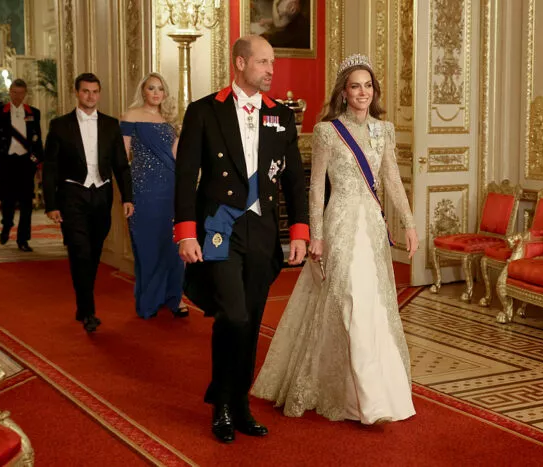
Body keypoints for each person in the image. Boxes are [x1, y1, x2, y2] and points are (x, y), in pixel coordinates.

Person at [251, 54, 420, 425]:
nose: (363, 92)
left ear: (374, 91)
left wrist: (409, 224)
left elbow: (392, 180)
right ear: (344, 92)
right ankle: (360, 397)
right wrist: (317, 235)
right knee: (348, 299)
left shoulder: (384, 130)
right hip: (339, 223)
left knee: (372, 304)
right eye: (355, 86)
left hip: (371, 227)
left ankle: (376, 396)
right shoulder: (328, 131)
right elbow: (315, 188)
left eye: (368, 86)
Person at [174, 35, 309, 443]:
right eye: (263, 62)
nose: (271, 70)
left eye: (272, 63)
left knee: (250, 320)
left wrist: (299, 231)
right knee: (232, 315)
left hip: (262, 232)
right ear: (240, 63)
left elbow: (293, 180)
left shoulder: (280, 116)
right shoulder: (204, 111)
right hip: (220, 230)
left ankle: (240, 404)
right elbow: (186, 176)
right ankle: (222, 403)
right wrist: (186, 232)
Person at [42, 73, 134, 333]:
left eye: (95, 91)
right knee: (80, 251)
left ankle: (83, 302)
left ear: (99, 94)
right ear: (77, 93)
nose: (90, 96)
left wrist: (127, 197)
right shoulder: (60, 125)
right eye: (85, 91)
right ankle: (88, 310)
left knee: (93, 253)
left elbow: (121, 165)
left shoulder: (110, 125)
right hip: (72, 195)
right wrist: (51, 204)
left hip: (101, 196)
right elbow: (50, 168)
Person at [120, 73, 188, 319]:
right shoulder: (130, 116)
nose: (156, 92)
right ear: (143, 91)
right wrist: (126, 195)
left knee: (172, 244)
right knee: (147, 245)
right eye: (151, 88)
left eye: (160, 88)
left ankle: (174, 297)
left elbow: (176, 156)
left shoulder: (168, 121)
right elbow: (121, 157)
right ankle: (149, 300)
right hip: (143, 189)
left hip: (170, 187)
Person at [0, 79, 44, 251]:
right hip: (6, 162)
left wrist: (39, 166)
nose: (18, 96)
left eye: (21, 93)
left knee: (26, 203)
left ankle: (23, 239)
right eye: (15, 93)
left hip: (26, 162)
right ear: (10, 92)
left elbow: (38, 140)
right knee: (7, 201)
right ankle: (7, 224)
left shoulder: (34, 113)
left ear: (25, 94)